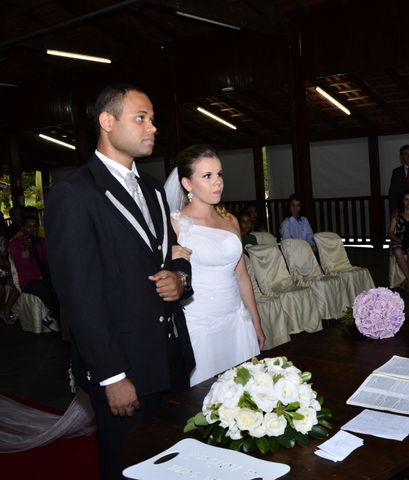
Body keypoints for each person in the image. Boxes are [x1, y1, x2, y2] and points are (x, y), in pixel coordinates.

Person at [45, 84, 195, 480]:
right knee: (125, 466)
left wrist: (179, 279)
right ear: (107, 122)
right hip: (124, 365)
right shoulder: (74, 194)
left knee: (172, 460)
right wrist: (111, 374)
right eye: (141, 118)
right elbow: (79, 295)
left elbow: (173, 253)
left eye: (153, 119)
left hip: (170, 357)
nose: (153, 127)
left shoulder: (151, 189)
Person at [165, 144, 265, 387]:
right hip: (201, 326)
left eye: (219, 174)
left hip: (236, 322)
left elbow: (241, 275)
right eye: (207, 176)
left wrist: (256, 321)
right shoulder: (175, 225)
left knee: (245, 392)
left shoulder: (229, 220)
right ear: (187, 184)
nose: (217, 182)